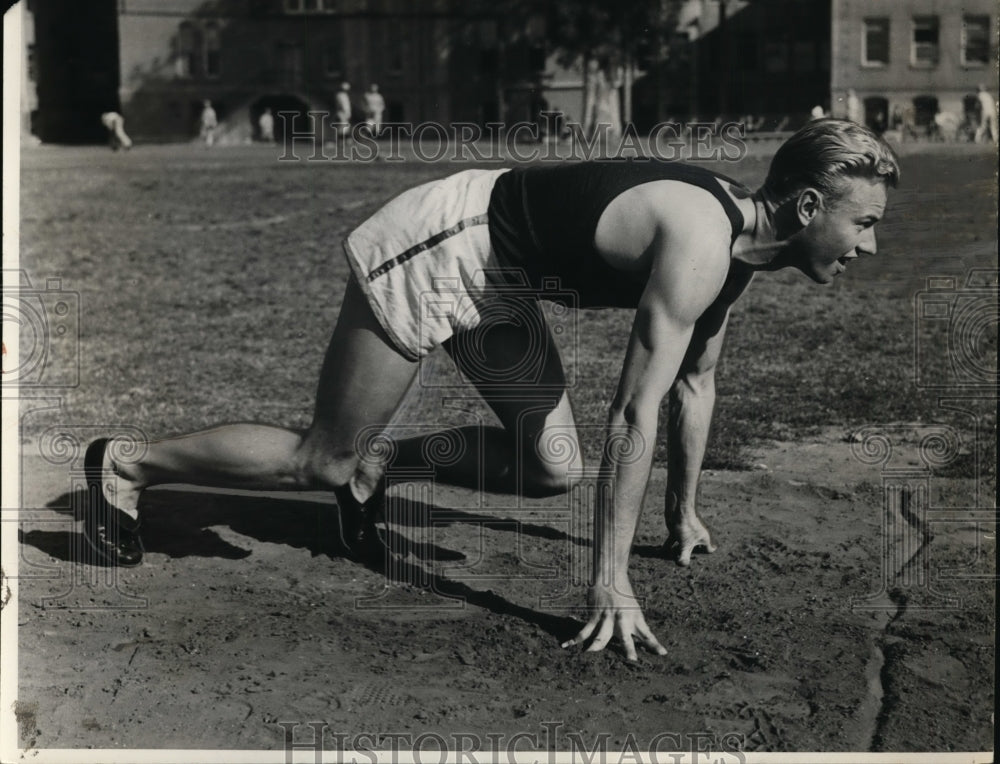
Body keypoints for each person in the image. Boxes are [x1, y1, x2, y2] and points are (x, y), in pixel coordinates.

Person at [82, 119, 898, 660]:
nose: (869, 245)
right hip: (444, 244)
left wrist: (682, 512)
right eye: (864, 224)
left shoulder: (739, 253)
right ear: (809, 204)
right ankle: (129, 465)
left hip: (502, 279)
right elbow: (633, 413)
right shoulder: (702, 243)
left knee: (550, 469)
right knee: (321, 460)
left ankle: (382, 471)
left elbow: (696, 383)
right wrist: (609, 581)